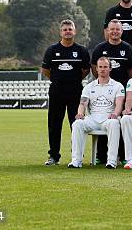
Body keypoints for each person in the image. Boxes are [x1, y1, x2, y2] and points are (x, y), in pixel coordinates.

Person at [41, 19, 90, 166]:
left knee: (76, 124)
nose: (68, 31)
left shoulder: (81, 50)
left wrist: (72, 80)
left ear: (74, 31)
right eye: (65, 29)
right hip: (57, 92)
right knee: (54, 124)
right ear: (60, 32)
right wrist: (59, 80)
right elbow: (46, 70)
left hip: (75, 91)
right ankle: (54, 156)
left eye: (70, 29)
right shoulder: (52, 50)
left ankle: (77, 155)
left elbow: (85, 70)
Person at [91, 19, 132, 164]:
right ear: (107, 31)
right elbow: (94, 68)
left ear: (121, 31)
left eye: (118, 29)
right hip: (103, 91)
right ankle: (101, 156)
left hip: (122, 92)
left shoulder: (128, 48)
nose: (115, 32)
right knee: (103, 119)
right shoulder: (100, 49)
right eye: (112, 29)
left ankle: (123, 155)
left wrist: (121, 86)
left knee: (122, 122)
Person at [68, 57, 124, 169]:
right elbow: (83, 103)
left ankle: (111, 161)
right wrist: (80, 114)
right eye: (100, 67)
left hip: (108, 118)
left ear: (110, 69)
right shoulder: (89, 87)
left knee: (114, 123)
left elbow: (119, 104)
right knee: (77, 124)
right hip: (92, 119)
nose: (103, 69)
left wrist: (115, 114)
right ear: (96, 69)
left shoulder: (118, 86)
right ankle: (76, 160)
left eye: (105, 67)